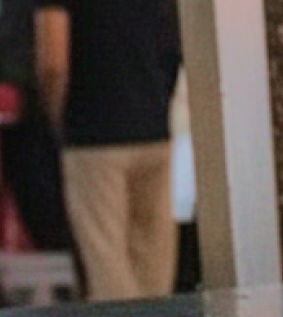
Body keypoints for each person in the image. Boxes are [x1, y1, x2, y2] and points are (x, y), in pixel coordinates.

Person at [35, 0, 180, 301]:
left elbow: (53, 63)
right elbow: (172, 46)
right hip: (153, 129)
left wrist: (56, 115)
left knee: (106, 261)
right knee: (153, 264)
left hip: (93, 133)